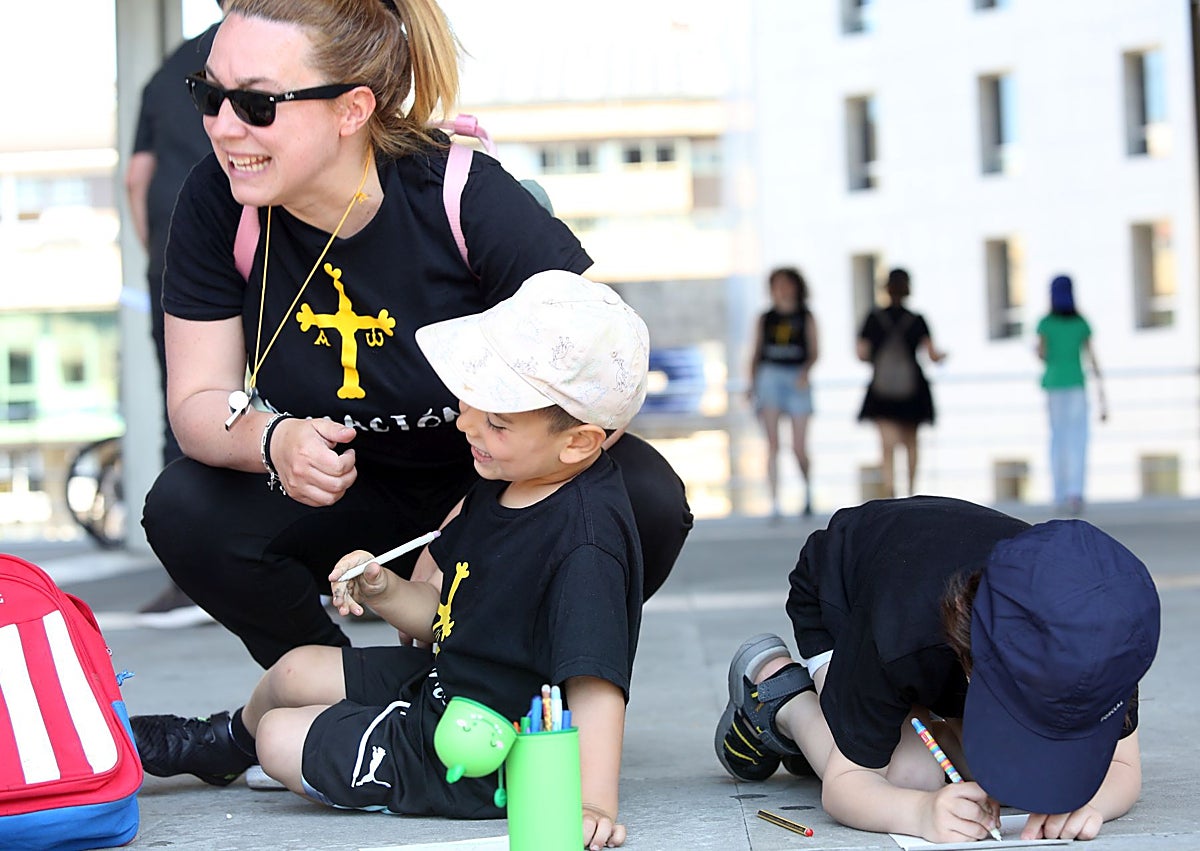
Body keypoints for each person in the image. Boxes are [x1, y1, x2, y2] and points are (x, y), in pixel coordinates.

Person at [140, 0, 692, 672]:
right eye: (209, 94)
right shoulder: (218, 202)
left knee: (643, 495)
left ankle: (507, 677)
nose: (223, 128)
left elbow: (603, 385)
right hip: (343, 494)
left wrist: (476, 521)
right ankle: (332, 686)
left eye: (257, 105)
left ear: (352, 110)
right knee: (184, 506)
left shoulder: (462, 195)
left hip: (492, 477)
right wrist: (273, 439)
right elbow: (198, 399)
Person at [132, 272, 647, 850]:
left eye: (495, 421)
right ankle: (225, 742)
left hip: (483, 747)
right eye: (470, 403)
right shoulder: (509, 478)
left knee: (280, 738)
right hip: (443, 680)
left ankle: (272, 750)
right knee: (294, 669)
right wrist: (383, 588)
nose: (466, 423)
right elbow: (443, 616)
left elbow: (596, 686)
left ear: (578, 441)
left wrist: (589, 803)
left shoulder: (586, 542)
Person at [714, 496, 1160, 843]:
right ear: (972, 667)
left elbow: (1122, 768)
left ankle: (915, 723)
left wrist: (1085, 803)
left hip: (940, 578)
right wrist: (920, 815)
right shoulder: (900, 636)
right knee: (911, 777)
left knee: (1004, 783)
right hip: (844, 597)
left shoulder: (1101, 639)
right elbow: (847, 786)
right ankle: (784, 695)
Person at [124, 3, 223, 627]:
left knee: (185, 408)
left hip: (174, 257)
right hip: (267, 250)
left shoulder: (166, 71)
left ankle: (189, 577)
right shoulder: (298, 46)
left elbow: (139, 178)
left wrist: (163, 257)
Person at [856, 268, 945, 498]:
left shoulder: (873, 318)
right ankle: (912, 491)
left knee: (887, 445)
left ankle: (890, 491)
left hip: (882, 388)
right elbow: (932, 355)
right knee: (911, 443)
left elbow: (862, 353)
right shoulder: (917, 320)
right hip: (912, 388)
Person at [747, 267, 818, 519]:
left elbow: (814, 351)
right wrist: (751, 383)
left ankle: (808, 491)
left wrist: (805, 372)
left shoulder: (805, 316)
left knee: (799, 446)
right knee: (772, 444)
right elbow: (755, 352)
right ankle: (775, 500)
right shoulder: (765, 318)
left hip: (796, 377)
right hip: (770, 377)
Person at [1036, 274, 1106, 515]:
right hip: (1077, 384)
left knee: (1058, 439)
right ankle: (1075, 492)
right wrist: (1102, 395)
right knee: (1079, 440)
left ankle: (1058, 492)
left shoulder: (1046, 323)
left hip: (1054, 384)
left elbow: (1043, 354)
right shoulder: (1080, 323)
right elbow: (1092, 358)